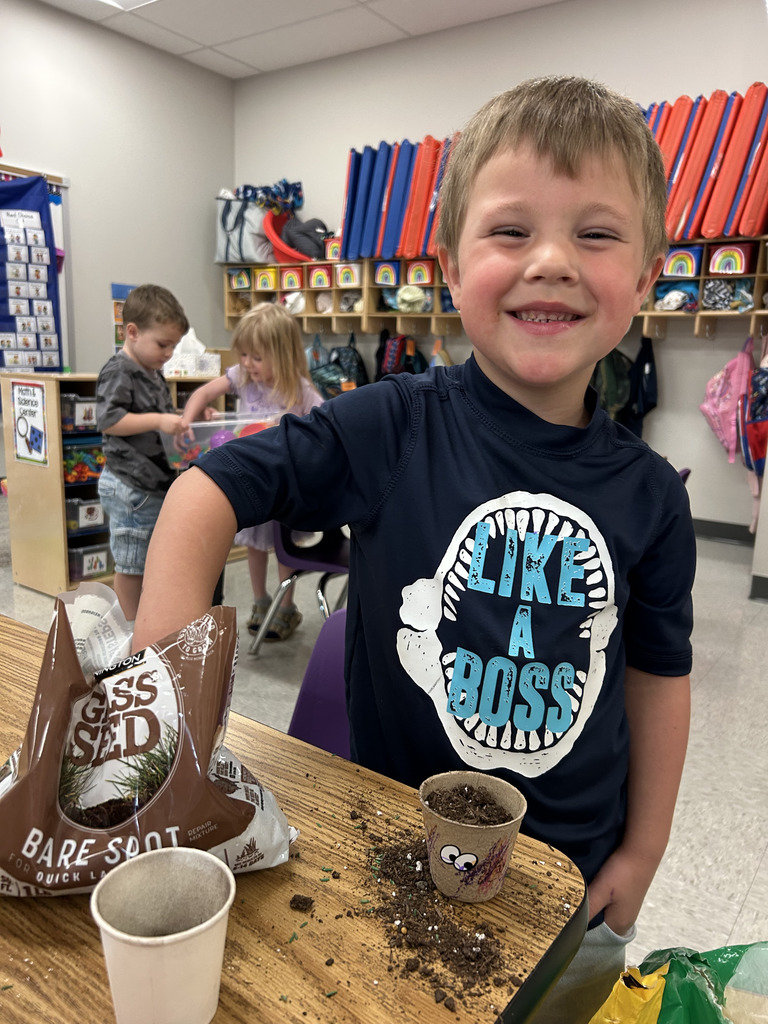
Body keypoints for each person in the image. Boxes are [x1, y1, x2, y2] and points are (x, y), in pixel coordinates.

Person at [133, 76, 695, 1022]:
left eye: (596, 234)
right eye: (511, 231)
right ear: (446, 263)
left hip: (573, 884)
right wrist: (166, 708)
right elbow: (202, 494)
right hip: (392, 860)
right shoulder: (389, 427)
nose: (551, 260)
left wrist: (644, 853)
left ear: (645, 277)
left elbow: (659, 680)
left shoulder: (652, 498)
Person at [179, 302, 323, 640]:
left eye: (256, 357)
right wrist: (188, 419)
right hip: (252, 484)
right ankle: (261, 601)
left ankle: (286, 607)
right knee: (255, 546)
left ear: (283, 355)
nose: (247, 363)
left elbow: (324, 423)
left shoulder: (299, 391)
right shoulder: (242, 378)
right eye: (243, 354)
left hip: (286, 487)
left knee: (284, 545)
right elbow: (204, 392)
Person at [96, 283, 189, 623]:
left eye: (173, 346)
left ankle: (142, 625)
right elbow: (109, 419)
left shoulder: (152, 373)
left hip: (150, 485)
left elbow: (159, 419)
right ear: (132, 332)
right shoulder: (119, 370)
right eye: (163, 344)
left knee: (146, 561)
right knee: (131, 564)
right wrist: (161, 420)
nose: (169, 352)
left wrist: (181, 419)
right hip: (129, 487)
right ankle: (127, 634)